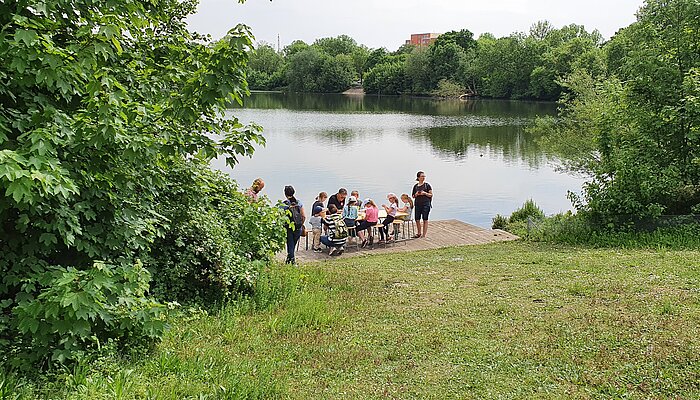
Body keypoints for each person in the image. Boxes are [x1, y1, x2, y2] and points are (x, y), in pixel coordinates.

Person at [282, 185, 305, 264]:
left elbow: (280, 217)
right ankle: (288, 260)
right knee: (293, 245)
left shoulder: (284, 205)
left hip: (289, 228)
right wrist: (301, 224)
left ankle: (292, 262)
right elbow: (303, 216)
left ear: (285, 194)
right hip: (298, 227)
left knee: (290, 245)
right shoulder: (299, 203)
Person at [411, 171, 433, 238]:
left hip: (426, 204)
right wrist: (416, 194)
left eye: (424, 176)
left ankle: (424, 235)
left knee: (425, 219)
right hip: (417, 204)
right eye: (422, 176)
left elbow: (431, 194)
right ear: (418, 177)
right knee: (417, 219)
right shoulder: (415, 186)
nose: (423, 178)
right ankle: (419, 233)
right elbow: (413, 196)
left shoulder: (427, 185)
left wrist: (425, 193)